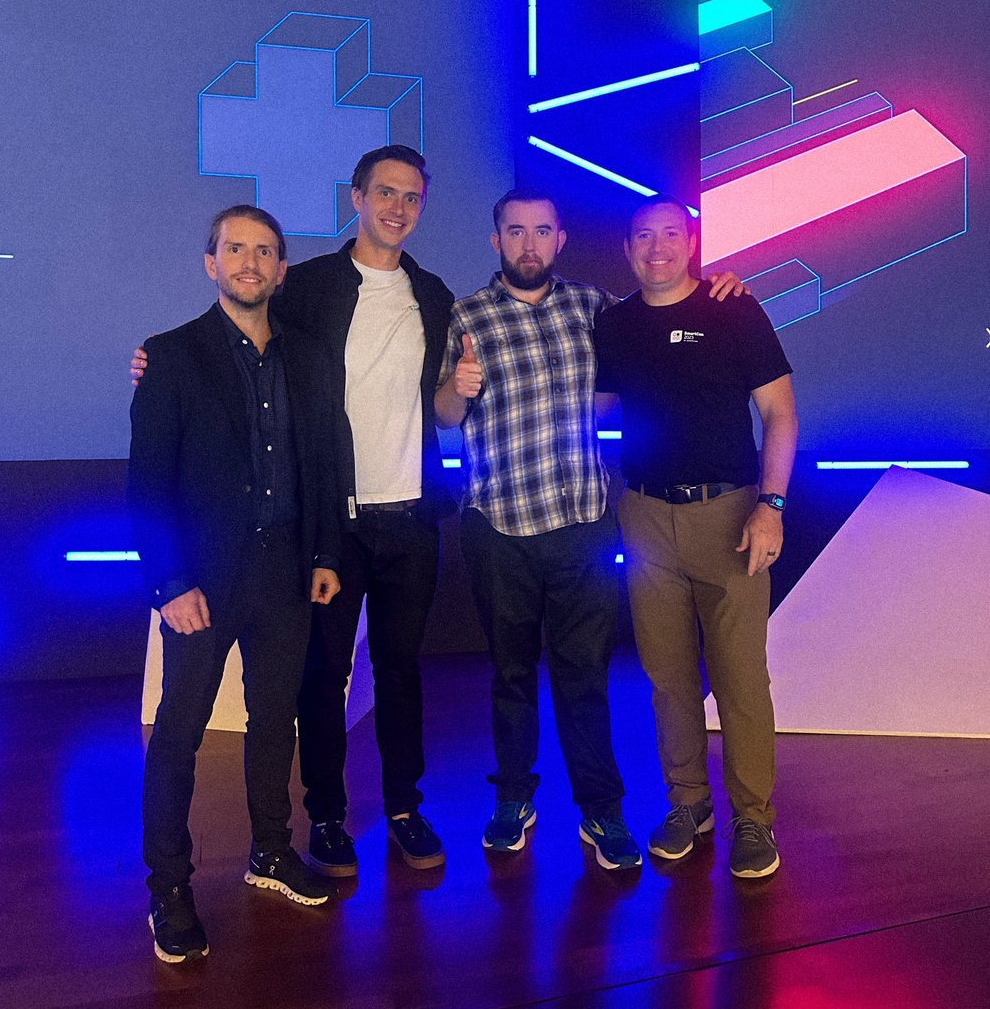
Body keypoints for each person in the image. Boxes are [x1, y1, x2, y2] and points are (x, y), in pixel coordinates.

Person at [133, 146, 453, 877]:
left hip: (380, 525)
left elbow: (411, 407)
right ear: (356, 197)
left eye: (411, 196)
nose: (397, 207)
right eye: (384, 192)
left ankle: (375, 817)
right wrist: (154, 363)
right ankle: (311, 825)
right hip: (285, 539)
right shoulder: (295, 291)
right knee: (294, 689)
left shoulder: (432, 294)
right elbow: (164, 452)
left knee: (380, 679)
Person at [435, 190, 743, 871]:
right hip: (498, 524)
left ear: (560, 238)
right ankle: (513, 798)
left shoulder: (595, 308)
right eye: (516, 231)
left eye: (542, 230)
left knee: (585, 679)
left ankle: (601, 810)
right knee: (511, 675)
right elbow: (444, 415)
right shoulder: (466, 314)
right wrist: (458, 387)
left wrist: (722, 287)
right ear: (496, 240)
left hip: (581, 522)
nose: (529, 244)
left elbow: (664, 308)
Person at [129, 205, 340, 963]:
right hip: (201, 583)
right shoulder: (170, 355)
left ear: (281, 269)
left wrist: (325, 554)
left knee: (274, 720)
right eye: (235, 248)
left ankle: (271, 852)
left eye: (265, 251)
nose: (250, 262)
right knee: (179, 733)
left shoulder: (310, 357)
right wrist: (170, 583)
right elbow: (147, 484)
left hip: (287, 571)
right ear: (211, 263)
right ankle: (169, 886)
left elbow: (325, 462)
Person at [593, 195, 798, 878]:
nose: (657, 247)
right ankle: (689, 804)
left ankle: (753, 817)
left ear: (690, 243)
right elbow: (591, 408)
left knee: (740, 678)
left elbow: (780, 414)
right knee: (668, 677)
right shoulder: (615, 324)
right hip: (645, 515)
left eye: (670, 234)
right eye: (643, 236)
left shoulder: (732, 308)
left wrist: (771, 506)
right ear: (628, 249)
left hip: (731, 516)